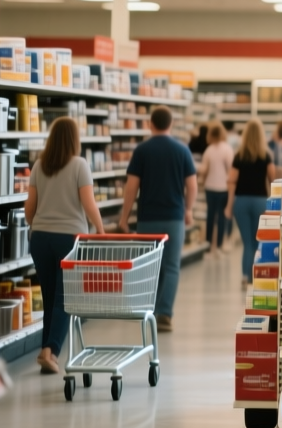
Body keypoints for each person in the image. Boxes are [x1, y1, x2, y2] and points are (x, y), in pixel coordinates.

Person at [24, 116, 104, 375]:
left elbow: (29, 207)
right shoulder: (80, 164)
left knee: (50, 298)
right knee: (65, 299)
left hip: (40, 238)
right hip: (69, 239)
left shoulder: (39, 165)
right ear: (74, 139)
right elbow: (88, 203)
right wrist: (100, 230)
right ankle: (51, 351)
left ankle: (45, 348)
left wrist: (35, 224)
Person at [117, 106, 197, 332]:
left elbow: (131, 187)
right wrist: (188, 210)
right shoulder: (182, 150)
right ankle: (165, 314)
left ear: (151, 124)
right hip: (174, 218)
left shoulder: (142, 150)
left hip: (147, 219)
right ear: (170, 124)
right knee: (171, 267)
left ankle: (147, 311)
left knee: (149, 267)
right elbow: (192, 185)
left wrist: (124, 217)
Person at [227, 120, 278, 284]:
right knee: (258, 241)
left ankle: (244, 275)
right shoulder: (266, 156)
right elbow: (273, 179)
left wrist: (229, 205)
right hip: (260, 202)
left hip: (241, 202)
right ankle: (255, 276)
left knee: (247, 242)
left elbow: (231, 180)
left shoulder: (239, 156)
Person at [199, 122, 234, 255]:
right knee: (221, 217)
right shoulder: (227, 149)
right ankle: (219, 246)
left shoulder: (209, 150)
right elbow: (231, 169)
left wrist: (202, 182)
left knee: (210, 216)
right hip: (223, 187)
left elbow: (204, 170)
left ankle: (208, 246)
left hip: (210, 187)